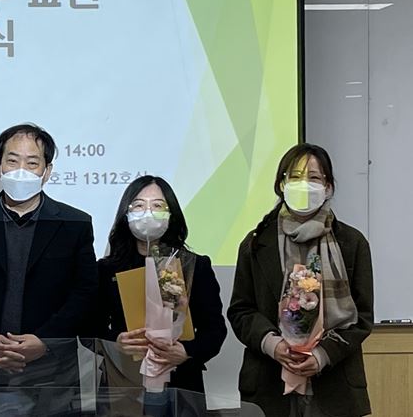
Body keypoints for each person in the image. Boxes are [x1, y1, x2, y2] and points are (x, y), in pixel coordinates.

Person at [0, 123, 98, 415]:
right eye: (12, 160)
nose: (21, 170)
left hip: (51, 371)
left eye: (32, 162)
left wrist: (44, 341)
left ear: (47, 171)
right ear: (0, 165)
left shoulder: (75, 223)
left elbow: (84, 291)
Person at [228, 143, 373, 417]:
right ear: (281, 185)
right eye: (295, 176)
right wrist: (274, 345)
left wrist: (322, 355)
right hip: (268, 385)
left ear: (328, 187)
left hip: (335, 386)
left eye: (314, 177)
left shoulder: (352, 244)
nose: (304, 184)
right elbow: (241, 311)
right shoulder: (255, 243)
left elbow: (362, 317)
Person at [95, 175, 227, 396]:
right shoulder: (106, 269)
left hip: (181, 382)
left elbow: (214, 330)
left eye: (157, 206)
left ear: (171, 215)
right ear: (126, 215)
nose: (148, 213)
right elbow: (89, 327)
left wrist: (187, 351)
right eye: (139, 205)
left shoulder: (195, 265)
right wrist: (115, 342)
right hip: (123, 380)